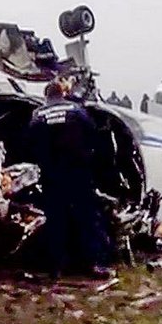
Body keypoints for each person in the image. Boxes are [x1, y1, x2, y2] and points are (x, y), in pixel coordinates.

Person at [28, 80, 114, 280]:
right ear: (62, 94)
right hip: (78, 172)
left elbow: (30, 142)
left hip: (52, 176)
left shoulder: (38, 115)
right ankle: (94, 264)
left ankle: (56, 267)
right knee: (87, 217)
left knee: (56, 220)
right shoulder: (76, 110)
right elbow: (93, 133)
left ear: (46, 96)